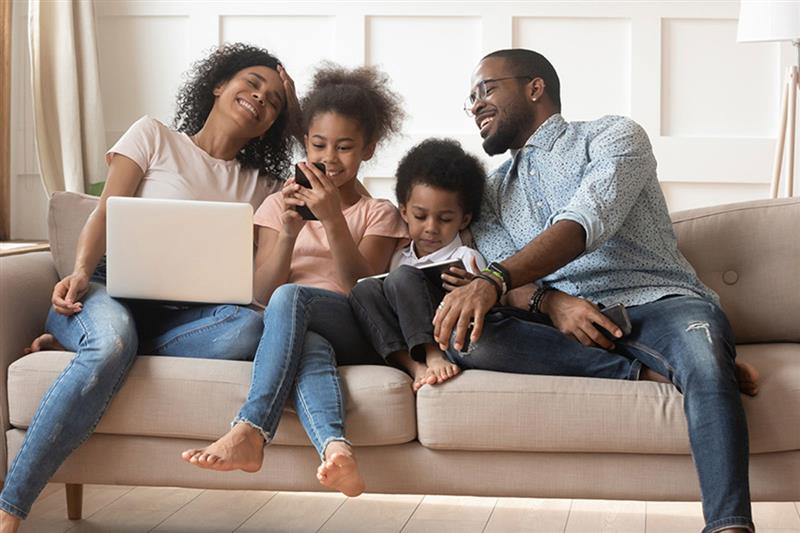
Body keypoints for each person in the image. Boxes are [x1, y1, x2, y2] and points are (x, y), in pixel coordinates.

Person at [433, 48, 758, 533]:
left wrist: (494, 280)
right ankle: (652, 369)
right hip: (566, 325)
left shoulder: (613, 136)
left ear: (535, 87)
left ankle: (729, 525)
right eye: (470, 99)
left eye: (486, 90)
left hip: (660, 300)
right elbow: (510, 277)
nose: (475, 105)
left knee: (703, 355)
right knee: (464, 337)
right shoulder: (491, 192)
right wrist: (552, 302)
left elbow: (585, 222)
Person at [0, 44, 298, 533]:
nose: (260, 98)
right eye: (251, 83)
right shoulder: (154, 136)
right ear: (219, 84)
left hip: (189, 316)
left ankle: (93, 346)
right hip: (107, 290)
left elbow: (262, 283)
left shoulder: (261, 186)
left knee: (250, 327)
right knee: (113, 339)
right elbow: (105, 210)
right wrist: (77, 271)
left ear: (272, 125)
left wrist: (297, 109)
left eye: (273, 101)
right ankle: (11, 508)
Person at [180, 64, 408, 498]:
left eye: (344, 148)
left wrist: (332, 220)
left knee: (293, 299)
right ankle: (336, 450)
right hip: (296, 330)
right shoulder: (274, 205)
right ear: (306, 143)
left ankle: (250, 429)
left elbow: (365, 290)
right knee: (307, 340)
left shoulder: (379, 213)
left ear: (368, 150)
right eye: (319, 144)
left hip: (356, 327)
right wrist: (288, 231)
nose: (329, 158)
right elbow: (260, 295)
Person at [350, 138, 486, 391]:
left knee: (402, 277)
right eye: (420, 217)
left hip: (444, 328)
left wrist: (472, 287)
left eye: (445, 219)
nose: (431, 228)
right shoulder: (397, 255)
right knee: (364, 289)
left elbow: (485, 303)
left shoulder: (468, 256)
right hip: (403, 332)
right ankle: (414, 366)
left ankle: (434, 355)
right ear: (403, 212)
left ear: (464, 219)